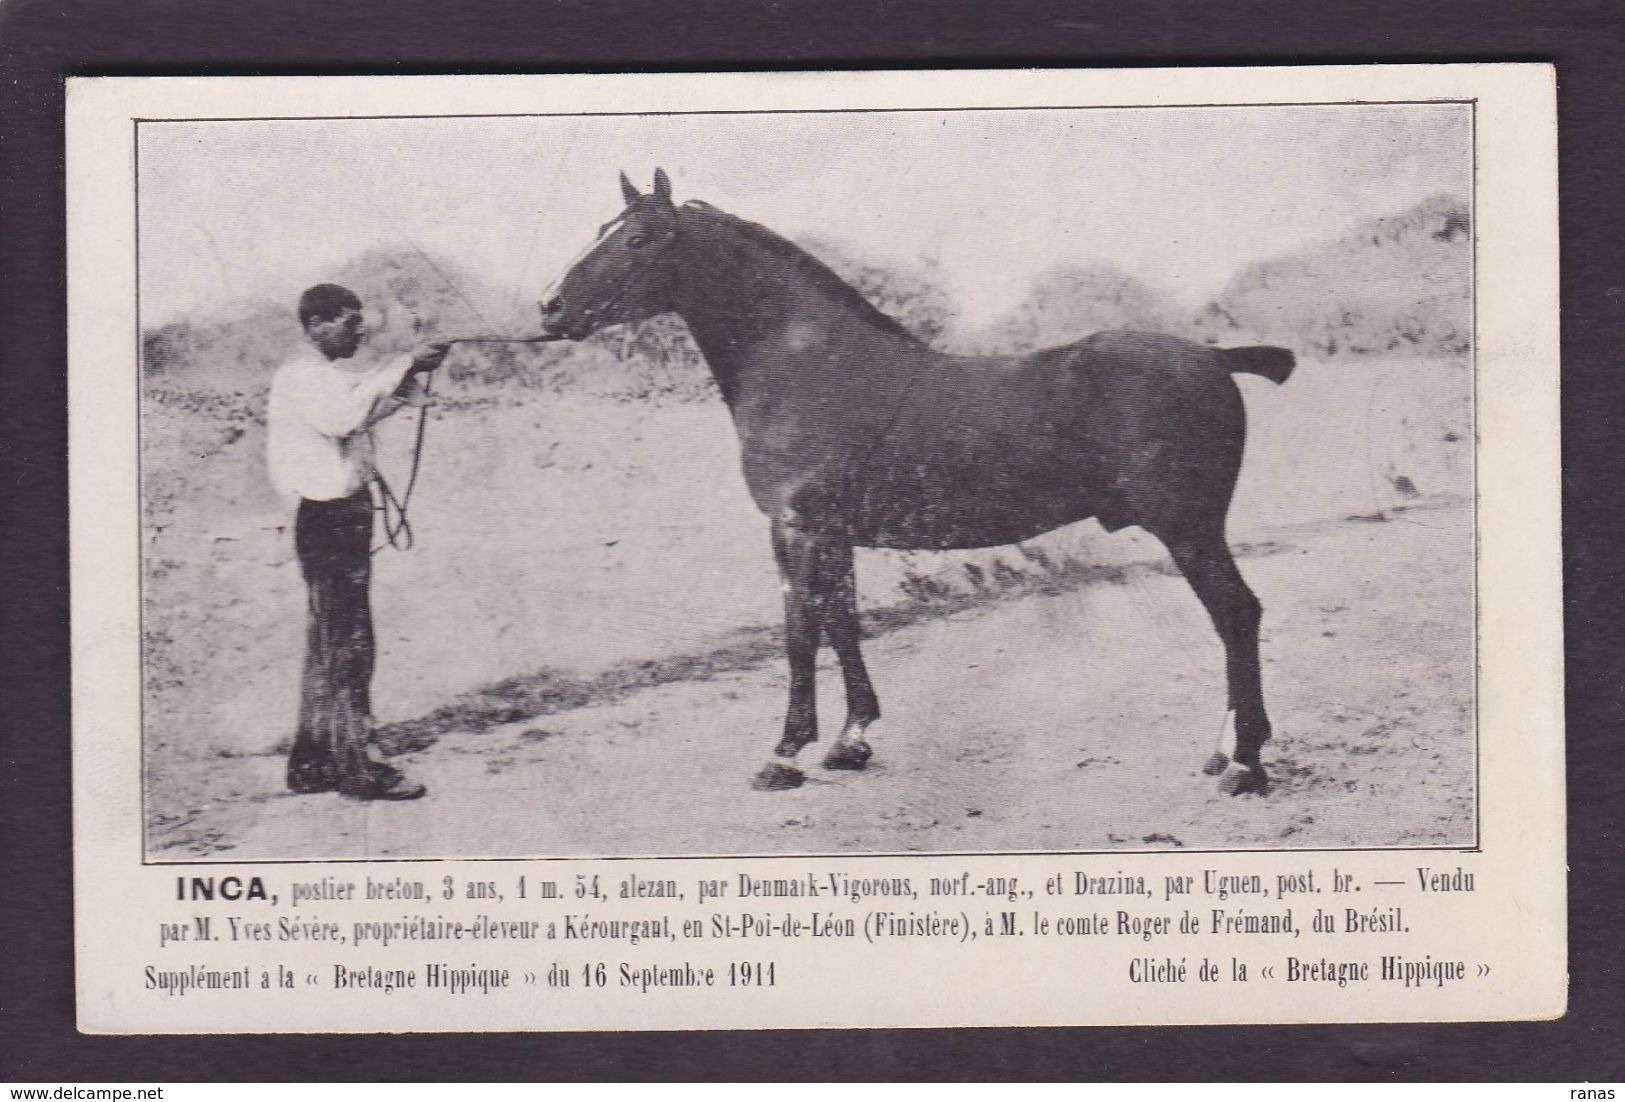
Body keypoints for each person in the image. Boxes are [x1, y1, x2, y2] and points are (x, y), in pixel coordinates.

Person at [267, 283, 449, 800]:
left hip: (339, 515)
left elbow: (360, 413)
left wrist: (409, 376)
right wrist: (402, 362)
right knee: (348, 644)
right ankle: (360, 766)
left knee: (331, 642)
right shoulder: (303, 376)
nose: (358, 333)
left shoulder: (322, 378)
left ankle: (313, 762)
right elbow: (343, 417)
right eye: (349, 323)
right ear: (318, 324)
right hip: (328, 519)